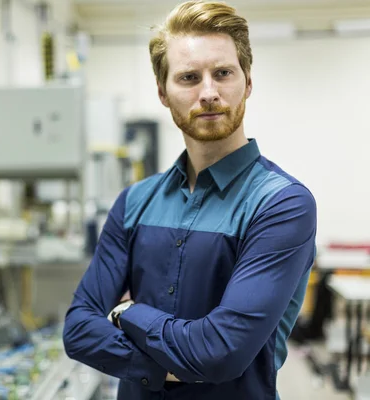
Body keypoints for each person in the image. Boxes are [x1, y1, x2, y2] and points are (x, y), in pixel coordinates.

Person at [62, 1, 317, 399]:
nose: (209, 92)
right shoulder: (134, 202)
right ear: (163, 93)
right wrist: (172, 367)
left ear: (247, 82)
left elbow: (219, 352)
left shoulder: (281, 205)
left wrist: (128, 313)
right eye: (189, 77)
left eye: (223, 73)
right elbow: (78, 329)